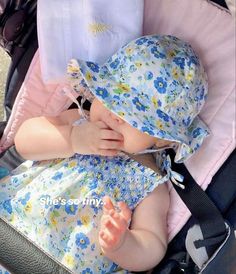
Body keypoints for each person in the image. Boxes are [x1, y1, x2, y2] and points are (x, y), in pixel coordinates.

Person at [0, 35, 209, 273]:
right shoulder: (79, 121)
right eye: (111, 98)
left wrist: (122, 244)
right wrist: (71, 138)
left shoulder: (151, 181)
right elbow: (25, 140)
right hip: (11, 221)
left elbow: (153, 245)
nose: (115, 115)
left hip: (59, 262)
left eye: (134, 117)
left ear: (161, 138)